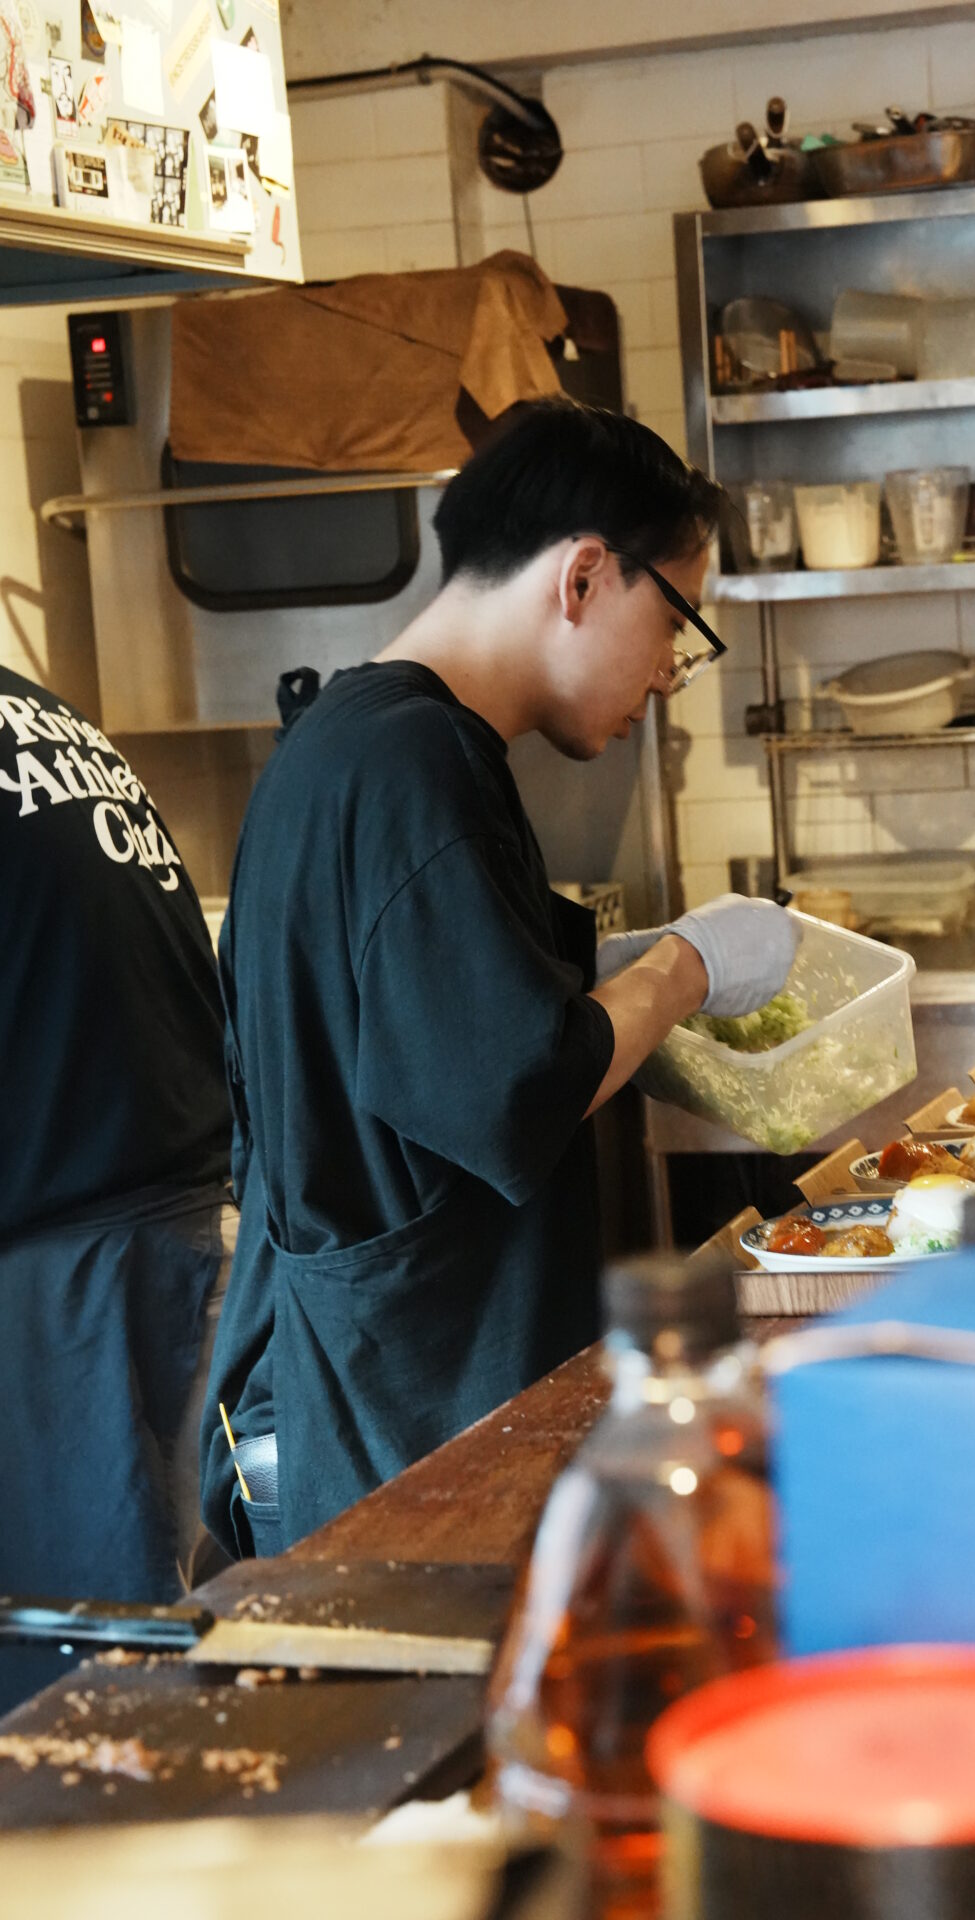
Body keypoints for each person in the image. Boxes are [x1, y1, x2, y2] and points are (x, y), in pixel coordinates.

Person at [201, 399, 796, 1555]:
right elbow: (511, 1088)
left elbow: (431, 1023)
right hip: (417, 1420)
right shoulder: (416, 763)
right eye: (677, 623)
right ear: (582, 577)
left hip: (390, 1391)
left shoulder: (353, 743)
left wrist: (598, 974)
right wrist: (684, 967)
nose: (672, 673)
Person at [0, 664, 232, 1703]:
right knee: (133, 1643)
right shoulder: (37, 709)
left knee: (80, 1692)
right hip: (152, 1223)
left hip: (65, 1275)